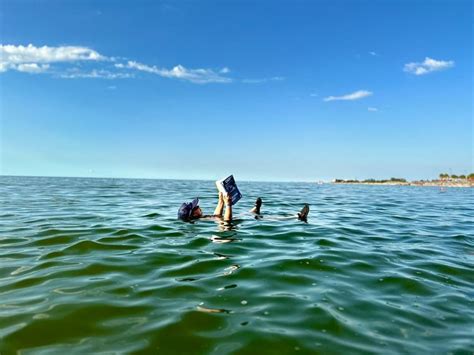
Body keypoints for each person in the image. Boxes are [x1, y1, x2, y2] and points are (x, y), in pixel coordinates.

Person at [178, 190, 310, 223]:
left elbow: (217, 215)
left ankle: (254, 209)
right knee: (267, 218)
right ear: (193, 214)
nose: (199, 206)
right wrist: (228, 204)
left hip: (229, 219)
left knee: (246, 214)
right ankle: (297, 216)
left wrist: (221, 200)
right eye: (196, 207)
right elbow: (226, 220)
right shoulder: (203, 220)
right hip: (230, 223)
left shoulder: (203, 218)